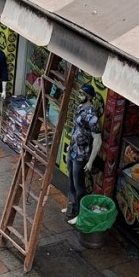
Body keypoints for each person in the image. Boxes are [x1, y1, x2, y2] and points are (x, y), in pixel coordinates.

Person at [62, 84, 102, 224]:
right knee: (71, 180)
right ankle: (71, 206)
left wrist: (90, 161)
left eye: (81, 94)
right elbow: (76, 129)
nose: (79, 96)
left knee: (79, 185)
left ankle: (81, 213)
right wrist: (70, 146)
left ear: (89, 97)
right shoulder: (80, 108)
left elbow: (97, 138)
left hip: (81, 155)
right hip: (73, 150)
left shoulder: (92, 115)